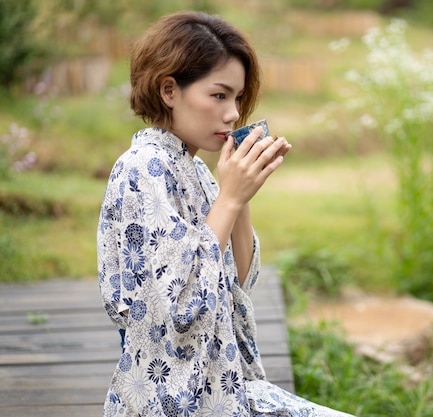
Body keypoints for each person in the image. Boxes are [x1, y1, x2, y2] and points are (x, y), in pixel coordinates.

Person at [96, 10, 354, 417]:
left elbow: (238, 282)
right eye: (219, 95)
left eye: (236, 98)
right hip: (173, 397)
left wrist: (242, 192)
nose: (233, 113)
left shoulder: (196, 169)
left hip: (222, 383)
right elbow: (178, 308)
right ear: (169, 90)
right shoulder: (142, 168)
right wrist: (230, 198)